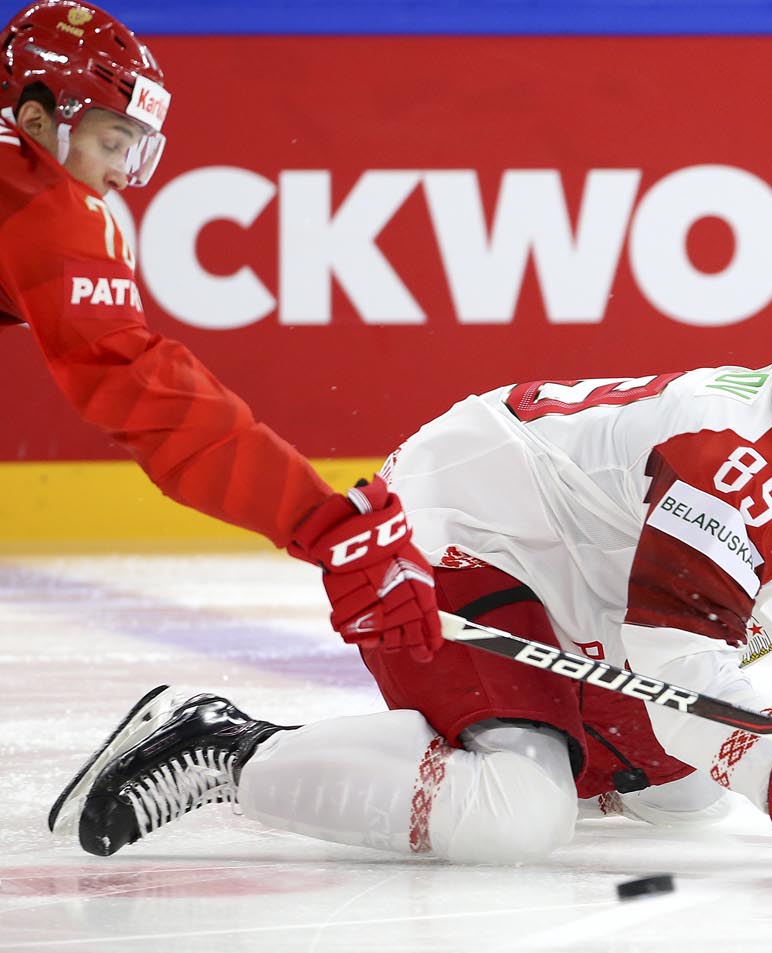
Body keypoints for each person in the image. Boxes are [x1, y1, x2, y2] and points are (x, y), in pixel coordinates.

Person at [57, 272, 772, 884]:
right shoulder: (725, 455)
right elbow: (675, 663)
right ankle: (222, 745)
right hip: (468, 530)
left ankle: (522, 740)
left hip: (585, 594)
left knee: (687, 801)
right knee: (515, 815)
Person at [0, 0, 441, 728]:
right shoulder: (45, 206)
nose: (118, 174)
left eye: (131, 149)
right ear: (41, 119)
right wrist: (313, 515)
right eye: (112, 143)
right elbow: (143, 391)